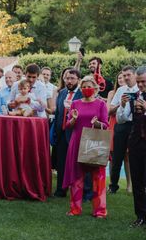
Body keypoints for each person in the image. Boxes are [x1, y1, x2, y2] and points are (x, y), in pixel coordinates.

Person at [62, 76, 109, 217]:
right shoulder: (75, 103)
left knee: (98, 178)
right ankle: (75, 209)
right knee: (77, 177)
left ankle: (100, 210)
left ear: (95, 89)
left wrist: (97, 124)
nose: (86, 89)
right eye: (84, 87)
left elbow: (105, 125)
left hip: (94, 143)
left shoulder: (101, 104)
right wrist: (74, 119)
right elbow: (68, 125)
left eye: (89, 87)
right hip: (77, 142)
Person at [52, 69, 82, 197]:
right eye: (67, 78)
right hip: (61, 133)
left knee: (78, 165)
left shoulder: (82, 94)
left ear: (78, 80)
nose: (69, 81)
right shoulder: (62, 93)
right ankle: (61, 190)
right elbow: (58, 113)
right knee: (61, 163)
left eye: (72, 79)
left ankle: (82, 192)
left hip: (76, 134)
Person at [108, 66, 138, 194]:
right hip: (121, 125)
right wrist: (122, 104)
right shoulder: (120, 90)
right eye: (124, 75)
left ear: (134, 75)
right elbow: (110, 110)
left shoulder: (140, 89)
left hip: (136, 124)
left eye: (128, 75)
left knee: (136, 156)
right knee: (117, 157)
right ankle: (113, 185)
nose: (126, 77)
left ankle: (136, 186)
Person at [124, 66, 146, 227]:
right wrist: (124, 105)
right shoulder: (135, 96)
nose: (140, 85)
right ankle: (140, 217)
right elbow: (123, 118)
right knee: (137, 181)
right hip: (136, 143)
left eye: (143, 82)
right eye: (138, 82)